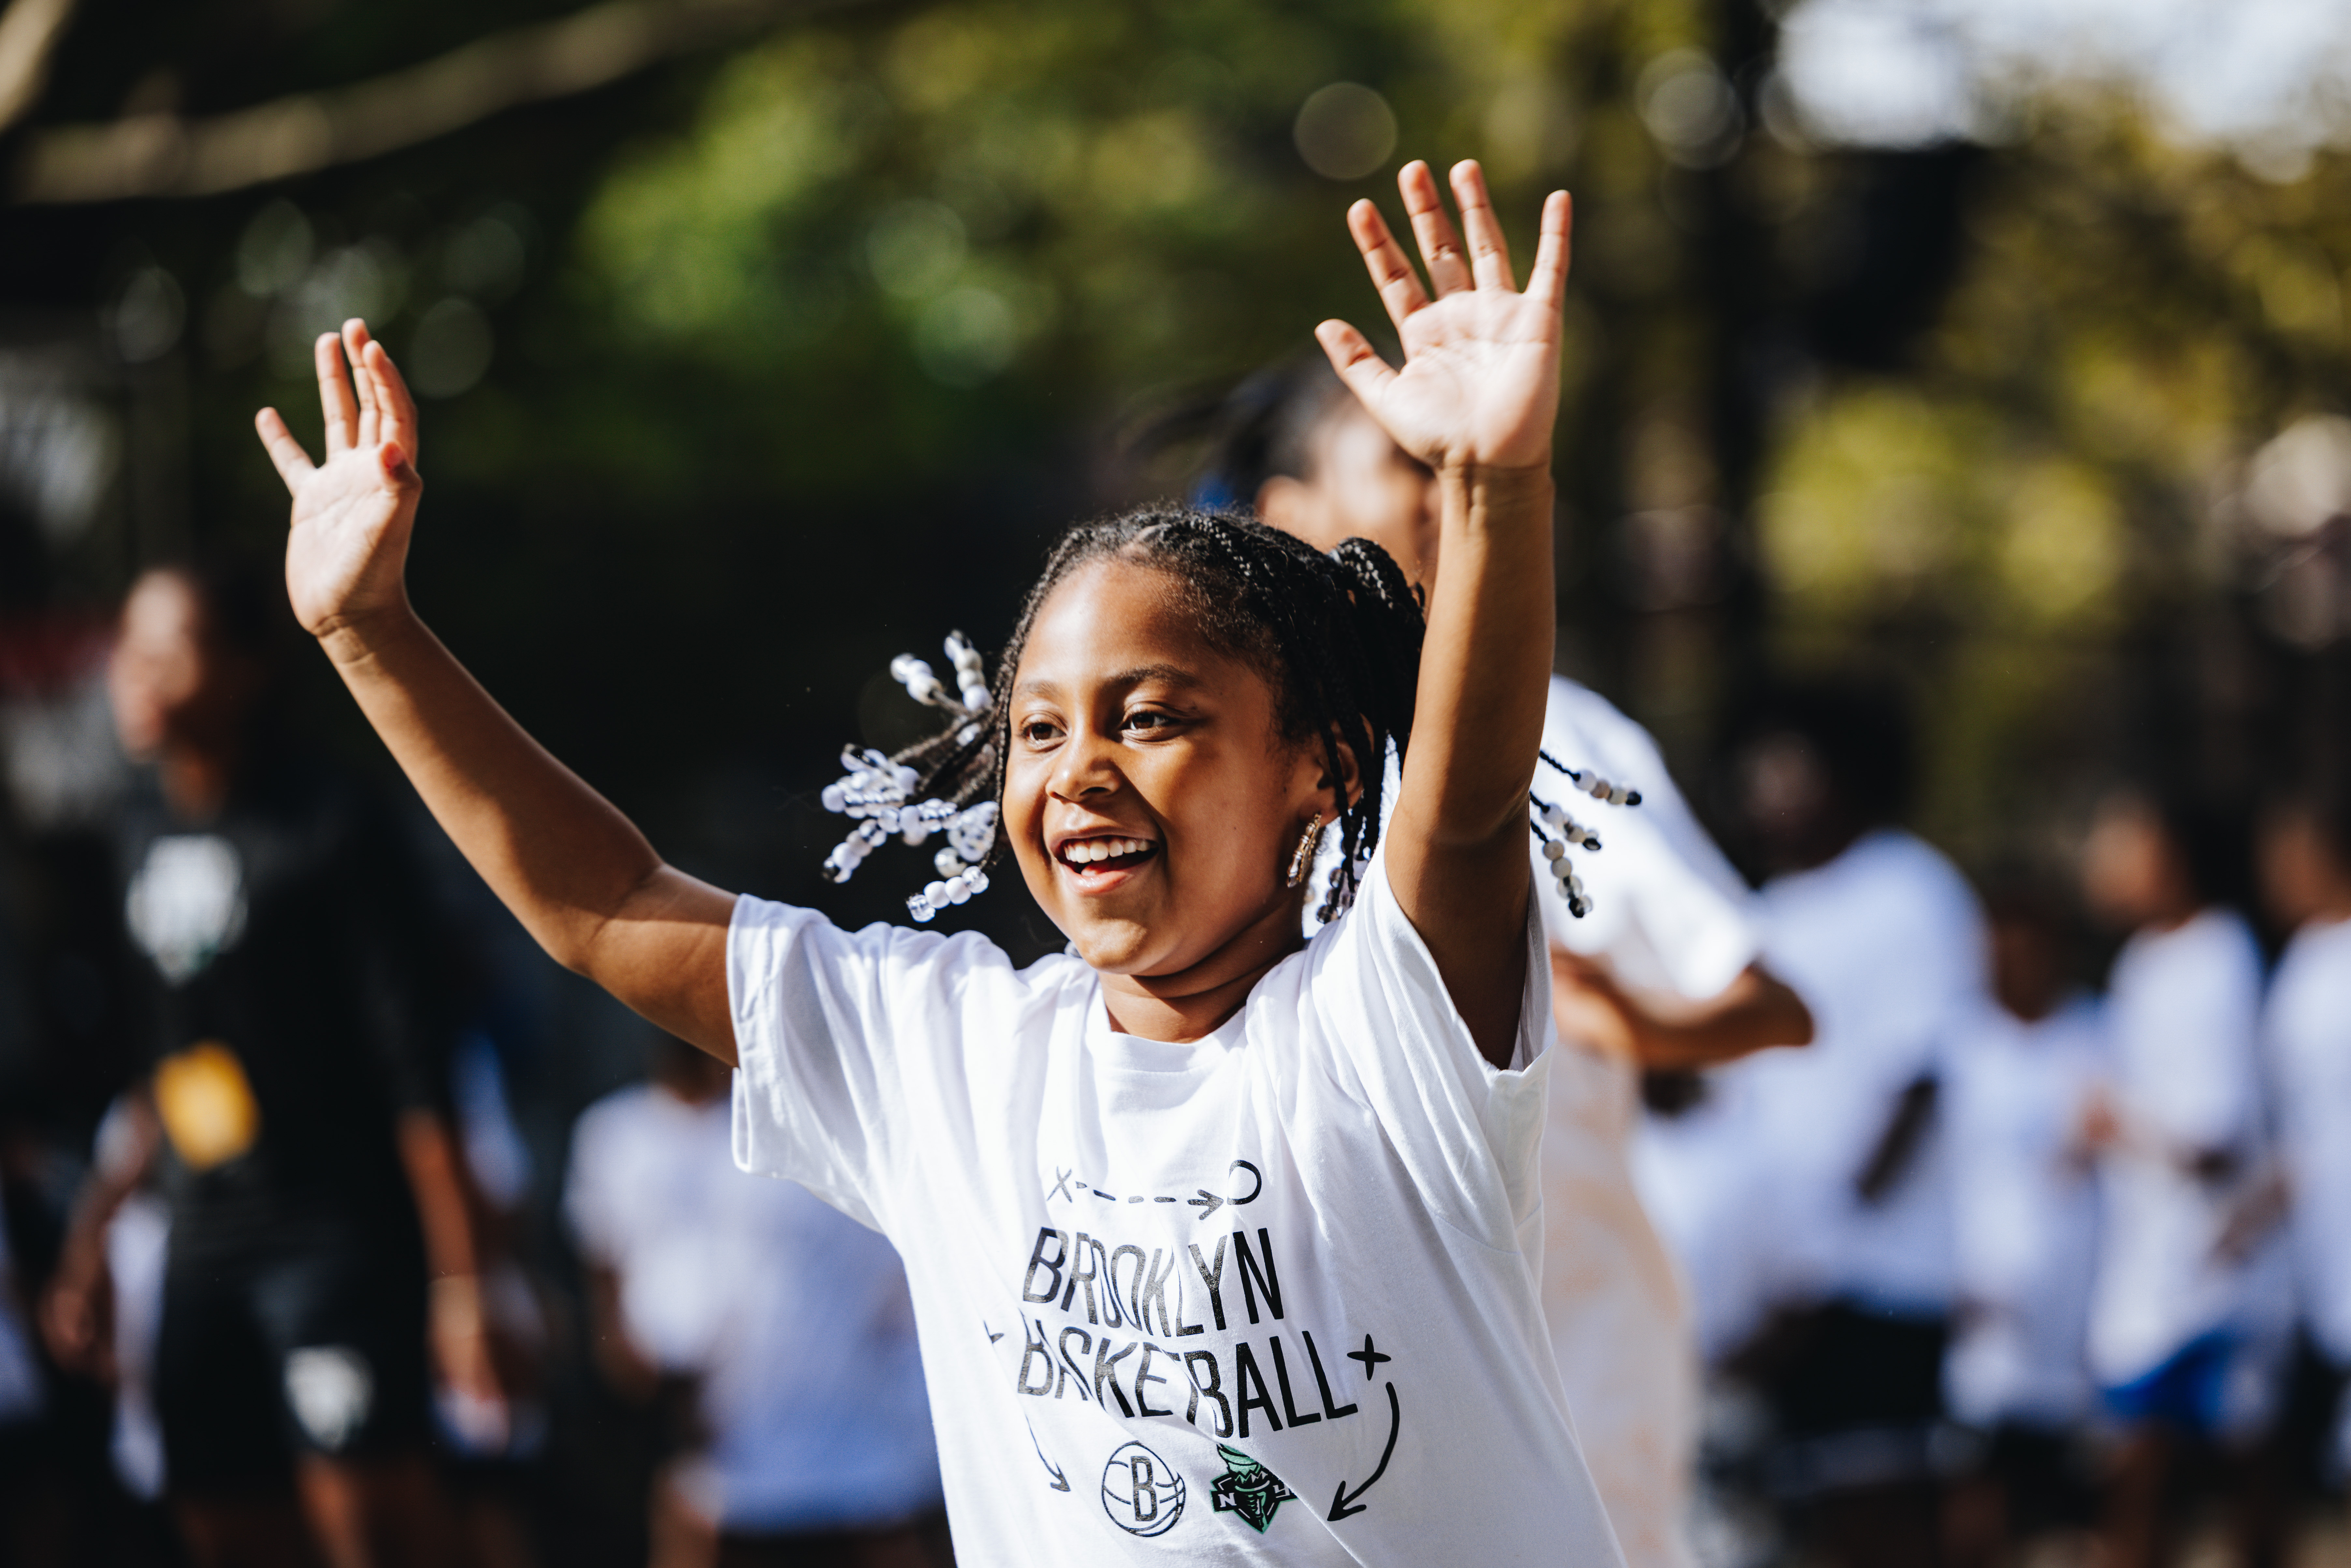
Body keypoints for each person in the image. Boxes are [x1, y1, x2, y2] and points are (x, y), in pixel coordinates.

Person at [251, 162, 1629, 1564]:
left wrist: (1494, 486)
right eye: (1037, 729)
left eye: (1151, 718)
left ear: (1323, 765)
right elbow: (607, 907)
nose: (1078, 769)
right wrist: (371, 634)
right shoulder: (950, 1056)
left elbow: (1465, 812)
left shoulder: (1381, 1034)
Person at [1205, 350, 1812, 1568]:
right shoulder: (1234, 758)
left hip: (1565, 1362)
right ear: (1290, 514)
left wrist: (1630, 1023)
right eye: (1408, 460)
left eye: (1463, 460)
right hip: (1330, 1379)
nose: (1448, 486)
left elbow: (1773, 1006)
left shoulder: (1561, 732)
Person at [39, 561, 498, 1568]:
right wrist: (94, 1233)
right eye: (128, 650)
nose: (137, 674)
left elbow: (417, 1071)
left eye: (169, 650)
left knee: (371, 1531)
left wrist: (465, 1285)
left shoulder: (331, 821)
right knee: (221, 1520)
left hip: (337, 1241)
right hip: (203, 1240)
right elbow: (166, 1063)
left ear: (246, 669)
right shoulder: (135, 828)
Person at [1707, 683, 1987, 1568]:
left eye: (1788, 769)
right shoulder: (1767, 911)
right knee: (1808, 1519)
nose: (1767, 791)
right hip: (1787, 1281)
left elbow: (1915, 1084)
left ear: (1849, 774)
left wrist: (1830, 1240)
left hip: (1881, 1273)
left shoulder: (1909, 889)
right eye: (1757, 772)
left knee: (1881, 1513)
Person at [566, 1033, 946, 1567]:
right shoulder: (617, 1134)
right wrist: (659, 1401)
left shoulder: (814, 1125)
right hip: (719, 1479)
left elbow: (900, 1295)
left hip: (866, 1473)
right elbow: (614, 1302)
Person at [2079, 785, 2289, 1568]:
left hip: (2215, 1266)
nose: (2103, 864)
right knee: (2146, 1477)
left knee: (2228, 1478)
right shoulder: (2141, 962)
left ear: (2170, 855)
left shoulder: (2219, 955)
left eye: (2122, 844)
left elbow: (2216, 1139)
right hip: (2149, 1267)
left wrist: (2117, 1126)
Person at [1938, 889, 2105, 1568]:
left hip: (2079, 1316)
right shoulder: (1960, 1047)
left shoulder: (2098, 1035)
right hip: (1980, 1312)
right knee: (1976, 1503)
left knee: (2073, 1519)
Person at [2256, 787, 2351, 1511]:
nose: (2273, 873)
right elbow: (2300, 1126)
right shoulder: (2298, 965)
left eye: (2286, 855)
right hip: (2323, 1249)